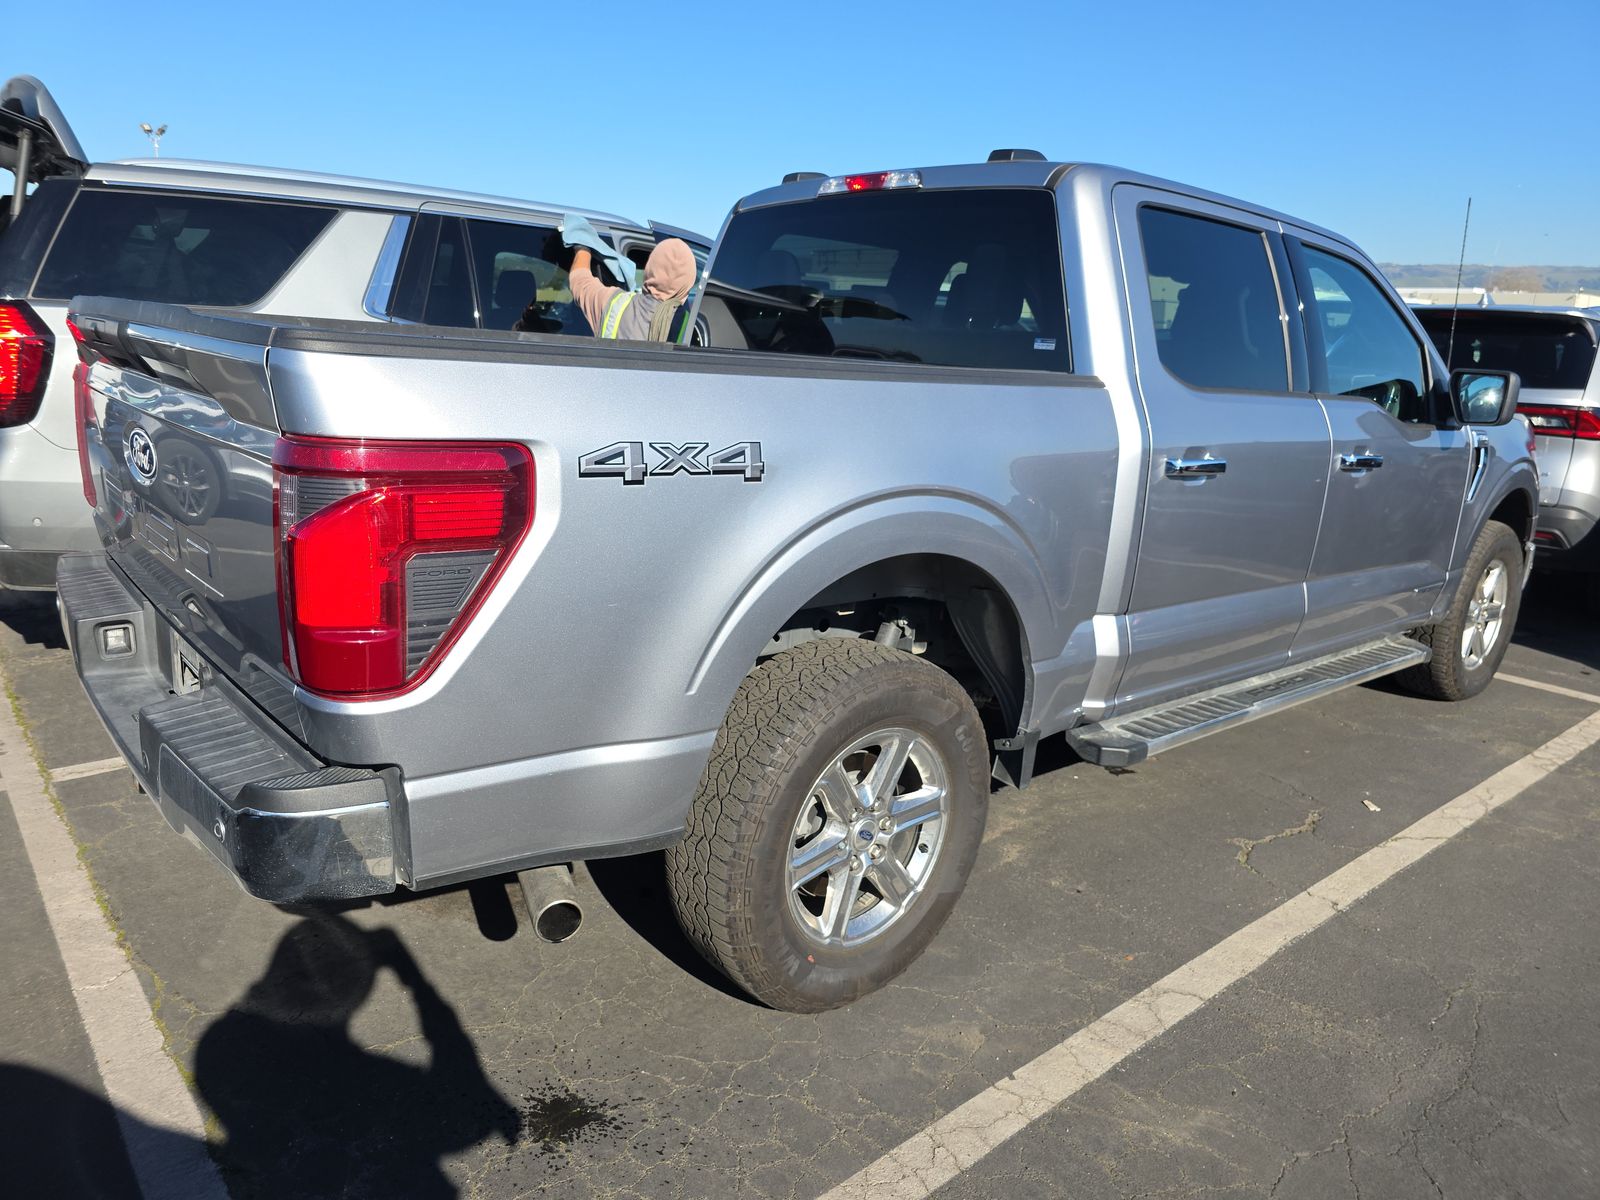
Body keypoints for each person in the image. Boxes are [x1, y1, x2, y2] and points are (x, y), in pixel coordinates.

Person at [562, 216, 699, 342]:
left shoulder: (614, 304)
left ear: (650, 268)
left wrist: (583, 246)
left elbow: (579, 280)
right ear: (688, 284)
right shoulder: (690, 328)